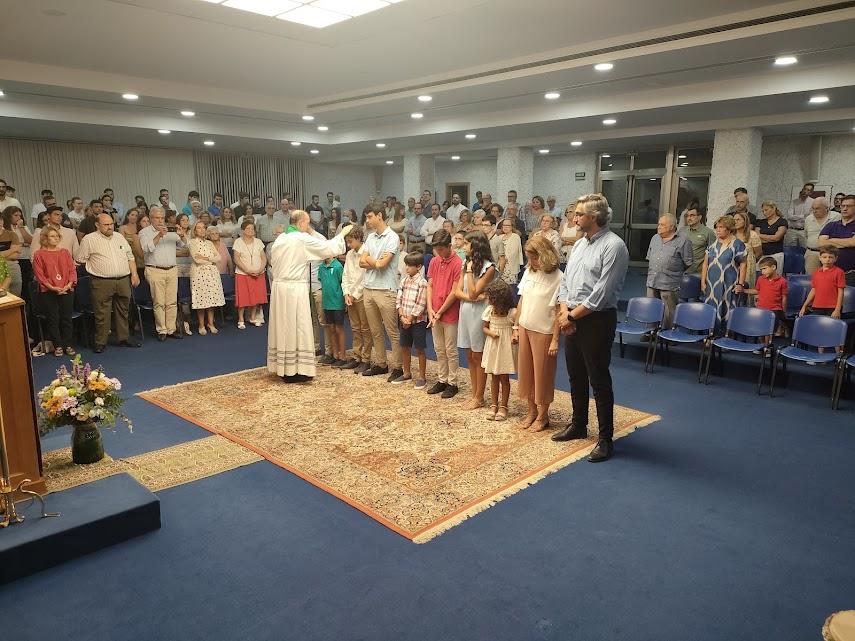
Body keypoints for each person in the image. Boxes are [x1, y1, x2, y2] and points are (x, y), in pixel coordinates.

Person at [553, 194, 629, 463]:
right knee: (575, 374)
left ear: (594, 218)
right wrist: (565, 314)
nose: (574, 219)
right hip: (572, 315)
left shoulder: (614, 246)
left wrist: (570, 318)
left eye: (579, 215)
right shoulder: (580, 245)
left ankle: (605, 439)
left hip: (596, 319)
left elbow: (600, 294)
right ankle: (578, 424)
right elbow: (565, 283)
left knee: (598, 378)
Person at [267, 211, 351, 382]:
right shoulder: (300, 239)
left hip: (279, 288)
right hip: (294, 289)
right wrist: (342, 234)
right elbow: (328, 249)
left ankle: (284, 367)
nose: (308, 227)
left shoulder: (281, 239)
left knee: (284, 327)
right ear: (300, 223)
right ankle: (295, 370)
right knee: (297, 327)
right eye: (307, 223)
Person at [513, 235, 562, 431]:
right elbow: (522, 301)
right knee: (526, 373)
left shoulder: (558, 277)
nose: (531, 262)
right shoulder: (529, 272)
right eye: (529, 258)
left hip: (544, 332)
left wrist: (555, 340)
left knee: (542, 375)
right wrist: (516, 327)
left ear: (546, 255)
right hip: (525, 327)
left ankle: (543, 416)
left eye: (534, 258)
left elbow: (559, 311)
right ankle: (531, 411)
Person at [75, 213, 141, 353]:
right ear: (97, 225)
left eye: (111, 224)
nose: (110, 227)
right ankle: (101, 341)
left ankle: (124, 338)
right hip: (101, 281)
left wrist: (134, 274)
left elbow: (130, 257)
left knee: (123, 310)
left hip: (123, 279)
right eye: (106, 224)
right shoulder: (89, 239)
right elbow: (80, 259)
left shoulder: (119, 237)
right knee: (102, 313)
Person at [360, 206, 403, 381]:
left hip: (386, 289)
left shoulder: (393, 237)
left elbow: (382, 265)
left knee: (392, 331)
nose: (367, 220)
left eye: (369, 217)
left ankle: (398, 367)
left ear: (379, 216)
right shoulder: (370, 236)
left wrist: (372, 261)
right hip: (369, 287)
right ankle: (381, 364)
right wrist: (374, 261)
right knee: (375, 330)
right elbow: (362, 262)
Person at [454, 230, 496, 410]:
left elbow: (473, 290)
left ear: (475, 245)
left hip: (480, 313)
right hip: (466, 310)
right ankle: (474, 394)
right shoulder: (466, 263)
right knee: (470, 354)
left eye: (466, 244)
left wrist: (470, 272)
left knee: (478, 354)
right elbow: (457, 291)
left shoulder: (489, 267)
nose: (463, 247)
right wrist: (470, 297)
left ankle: (480, 397)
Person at [139, 206, 186, 341]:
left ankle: (171, 329)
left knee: (172, 301)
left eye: (162, 218)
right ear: (150, 218)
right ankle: (161, 330)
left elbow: (184, 245)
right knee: (159, 302)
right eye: (156, 218)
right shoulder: (145, 232)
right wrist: (159, 235)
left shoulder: (171, 230)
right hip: (155, 269)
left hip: (171, 269)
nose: (160, 221)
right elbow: (146, 249)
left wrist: (182, 235)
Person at [425, 230, 462, 399]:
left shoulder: (457, 263)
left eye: (441, 249)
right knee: (438, 348)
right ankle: (442, 379)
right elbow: (430, 286)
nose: (438, 253)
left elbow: (454, 292)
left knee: (450, 349)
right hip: (435, 312)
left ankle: (452, 382)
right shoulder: (434, 261)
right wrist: (430, 309)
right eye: (436, 249)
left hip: (449, 312)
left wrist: (440, 312)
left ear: (449, 246)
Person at [32, 226, 78, 356]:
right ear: (45, 238)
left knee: (66, 318)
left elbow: (72, 270)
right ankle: (57, 345)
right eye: (52, 236)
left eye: (57, 236)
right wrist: (53, 288)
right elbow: (40, 275)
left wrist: (68, 285)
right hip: (49, 291)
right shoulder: (39, 254)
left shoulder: (65, 252)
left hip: (66, 289)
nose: (56, 238)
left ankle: (68, 344)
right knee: (53, 319)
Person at [646, 214, 693, 329]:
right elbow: (649, 257)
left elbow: (688, 262)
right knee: (651, 308)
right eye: (659, 224)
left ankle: (668, 336)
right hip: (653, 280)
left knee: (669, 312)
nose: (659, 227)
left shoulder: (683, 241)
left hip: (670, 282)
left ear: (672, 227)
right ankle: (651, 332)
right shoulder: (655, 238)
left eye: (662, 225)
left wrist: (673, 271)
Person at [701, 215, 747, 326]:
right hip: (712, 285)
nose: (718, 230)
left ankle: (725, 335)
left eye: (721, 227)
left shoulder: (738, 245)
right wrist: (703, 281)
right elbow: (705, 264)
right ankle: (710, 334)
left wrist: (741, 284)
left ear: (729, 228)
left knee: (728, 310)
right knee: (710, 310)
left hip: (729, 284)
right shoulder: (713, 245)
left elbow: (743, 264)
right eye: (716, 227)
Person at [481, 279, 516, 422]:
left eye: (492, 298)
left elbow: (516, 328)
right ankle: (493, 404)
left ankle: (504, 406)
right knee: (493, 377)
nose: (490, 301)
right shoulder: (489, 310)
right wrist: (491, 333)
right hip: (493, 347)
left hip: (505, 348)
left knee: (504, 378)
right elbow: (484, 327)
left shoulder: (512, 313)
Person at [393, 252, 428, 388]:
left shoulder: (422, 283)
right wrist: (402, 316)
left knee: (420, 349)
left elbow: (421, 303)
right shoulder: (404, 280)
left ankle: (422, 377)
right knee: (405, 347)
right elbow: (399, 299)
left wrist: (410, 318)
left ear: (418, 267)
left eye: (410, 266)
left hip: (418, 321)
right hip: (404, 319)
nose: (406, 268)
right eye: (406, 265)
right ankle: (406, 373)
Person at [340, 226, 371, 372]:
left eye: (350, 241)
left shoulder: (366, 252)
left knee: (365, 327)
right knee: (355, 327)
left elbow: (365, 277)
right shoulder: (350, 254)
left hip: (362, 294)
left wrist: (353, 294)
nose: (348, 245)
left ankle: (366, 358)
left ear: (359, 239)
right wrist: (346, 293)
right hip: (350, 295)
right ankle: (357, 356)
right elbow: (345, 275)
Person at [188, 221, 225, 335]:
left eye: (203, 227)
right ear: (195, 230)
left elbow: (218, 258)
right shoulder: (192, 242)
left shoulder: (209, 243)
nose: (202, 230)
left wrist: (205, 257)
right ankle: (201, 325)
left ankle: (211, 323)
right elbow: (197, 260)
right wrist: (210, 259)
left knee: (211, 300)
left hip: (212, 273)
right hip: (199, 274)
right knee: (201, 301)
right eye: (199, 228)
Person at [232, 220, 267, 329]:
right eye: (248, 228)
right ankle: (241, 319)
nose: (251, 230)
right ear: (242, 230)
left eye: (252, 228)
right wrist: (247, 270)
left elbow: (264, 257)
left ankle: (253, 317)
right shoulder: (238, 241)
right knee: (243, 297)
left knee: (256, 296)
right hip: (243, 274)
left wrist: (261, 269)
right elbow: (236, 259)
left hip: (258, 273)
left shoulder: (258, 241)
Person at [742, 256, 788, 338]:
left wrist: (783, 311)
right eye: (761, 270)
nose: (762, 272)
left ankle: (767, 347)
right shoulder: (760, 279)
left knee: (769, 331)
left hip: (774, 310)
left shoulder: (782, 281)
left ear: (773, 267)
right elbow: (757, 291)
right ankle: (762, 347)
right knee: (760, 330)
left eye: (764, 269)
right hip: (761, 309)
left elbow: (784, 297)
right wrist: (744, 290)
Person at [817, 194, 855, 286]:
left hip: (850, 274)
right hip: (829, 272)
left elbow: (853, 242)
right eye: (843, 206)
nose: (845, 208)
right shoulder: (831, 225)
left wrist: (831, 241)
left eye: (849, 206)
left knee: (847, 300)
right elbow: (821, 243)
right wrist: (847, 242)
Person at [799, 246, 845, 318]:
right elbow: (814, 290)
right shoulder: (816, 273)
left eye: (830, 257)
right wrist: (804, 306)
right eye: (824, 257)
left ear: (835, 259)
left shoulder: (839, 272)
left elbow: (841, 292)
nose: (827, 259)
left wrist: (837, 309)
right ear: (820, 258)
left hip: (832, 307)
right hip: (817, 306)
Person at [317, 255, 347, 365]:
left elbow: (342, 282)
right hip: (327, 302)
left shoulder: (338, 266)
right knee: (331, 329)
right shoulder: (321, 267)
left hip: (337, 302)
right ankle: (335, 355)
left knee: (339, 329)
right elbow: (321, 279)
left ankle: (343, 356)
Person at [804, 197, 841, 274]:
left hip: (830, 254)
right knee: (811, 279)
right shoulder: (808, 219)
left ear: (826, 208)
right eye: (813, 208)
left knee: (830, 278)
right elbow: (806, 235)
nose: (814, 211)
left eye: (817, 208)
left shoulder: (837, 217)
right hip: (812, 253)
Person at [733, 211, 763, 297]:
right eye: (734, 220)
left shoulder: (753, 235)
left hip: (748, 266)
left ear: (745, 221)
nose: (735, 222)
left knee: (745, 289)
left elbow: (759, 253)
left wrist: (750, 261)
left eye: (738, 219)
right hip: (733, 265)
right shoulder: (731, 235)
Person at [680, 206, 715, 274]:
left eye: (692, 215)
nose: (689, 218)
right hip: (680, 272)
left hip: (696, 273)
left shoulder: (708, 233)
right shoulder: (682, 231)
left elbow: (712, 255)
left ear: (699, 217)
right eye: (687, 216)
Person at [757, 200, 788, 274]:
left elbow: (777, 238)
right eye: (763, 211)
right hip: (761, 254)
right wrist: (771, 238)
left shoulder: (782, 222)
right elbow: (756, 237)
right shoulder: (760, 222)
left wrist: (761, 237)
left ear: (773, 208)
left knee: (774, 277)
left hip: (776, 254)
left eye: (766, 210)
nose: (764, 213)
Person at [0, 206, 23, 295]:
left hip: (13, 266)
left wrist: (2, 254)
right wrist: (12, 249)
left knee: (16, 295)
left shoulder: (11, 234)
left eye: (1, 220)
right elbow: (14, 251)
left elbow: (16, 255)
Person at [785, 182, 814, 247]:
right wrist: (803, 216)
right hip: (792, 230)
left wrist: (795, 217)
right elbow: (789, 216)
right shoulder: (794, 202)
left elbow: (809, 218)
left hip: (804, 231)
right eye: (804, 189)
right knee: (790, 251)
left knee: (804, 251)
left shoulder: (813, 202)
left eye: (808, 190)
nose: (805, 191)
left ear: (811, 193)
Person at [119, 208, 145, 276]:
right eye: (132, 215)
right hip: (129, 254)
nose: (134, 217)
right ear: (128, 216)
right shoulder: (123, 228)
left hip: (141, 255)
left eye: (136, 215)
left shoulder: (139, 227)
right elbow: (121, 244)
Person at [498, 218, 523, 285]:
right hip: (499, 265)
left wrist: (502, 260)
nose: (505, 227)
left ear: (512, 227)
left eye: (508, 225)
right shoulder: (500, 237)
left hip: (510, 267)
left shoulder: (515, 237)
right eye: (504, 225)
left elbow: (513, 253)